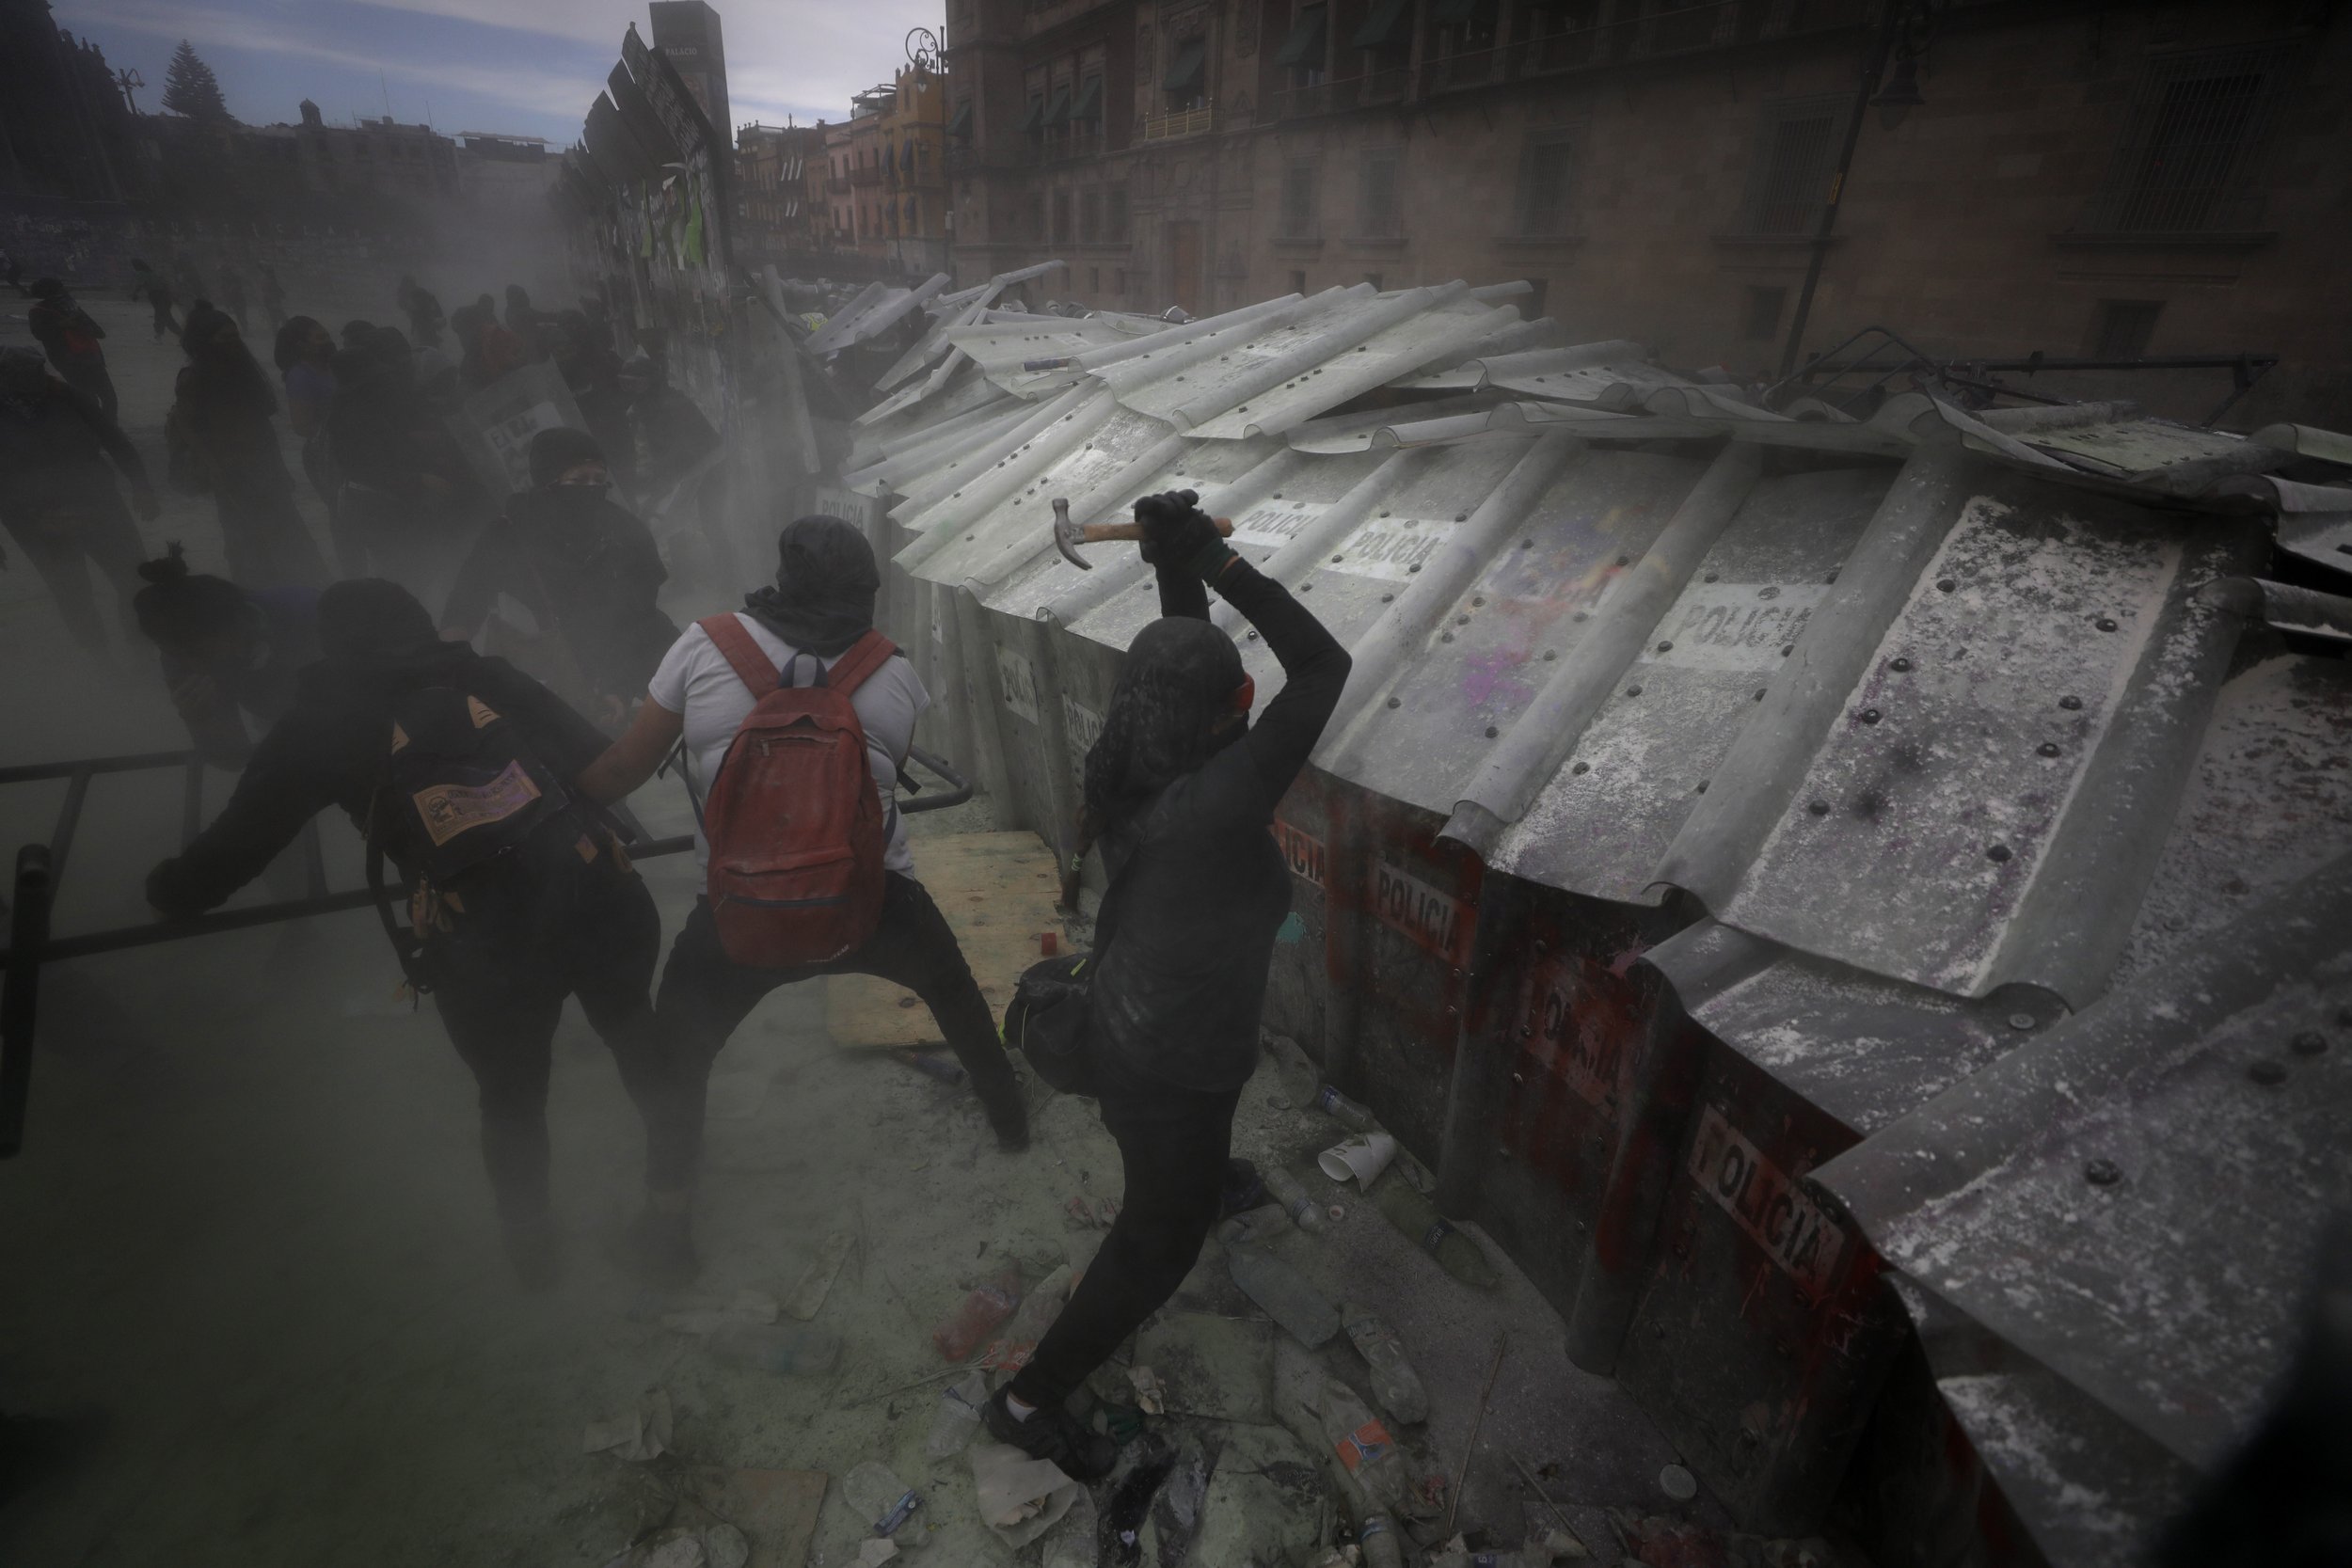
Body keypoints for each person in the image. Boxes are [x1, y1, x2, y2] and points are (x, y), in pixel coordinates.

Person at [144, 578, 674, 1289]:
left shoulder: (316, 721)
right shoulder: (486, 675)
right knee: (636, 1032)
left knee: (510, 1098)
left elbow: (230, 857)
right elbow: (598, 763)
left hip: (480, 939)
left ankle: (533, 1254)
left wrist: (169, 889)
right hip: (595, 896)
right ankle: (673, 1197)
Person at [978, 492, 1351, 1479]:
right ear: (1233, 706)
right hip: (1167, 1062)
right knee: (1156, 1243)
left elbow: (1181, 646)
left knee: (1192, 1159)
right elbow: (1322, 665)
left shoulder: (1140, 754)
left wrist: (1172, 560)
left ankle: (1207, 1178)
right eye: (1239, 691)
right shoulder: (1218, 804)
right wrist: (1223, 568)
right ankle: (1024, 1399)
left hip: (1150, 1020)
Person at [572, 515, 1030, 1282]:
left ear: (783, 577)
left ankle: (667, 1222)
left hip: (739, 918)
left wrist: (559, 797)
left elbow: (621, 771)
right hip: (870, 901)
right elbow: (878, 776)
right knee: (953, 993)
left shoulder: (704, 644)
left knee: (678, 1057)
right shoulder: (894, 670)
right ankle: (1009, 1119)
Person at [440, 428, 675, 726]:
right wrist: (450, 675)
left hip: (629, 662)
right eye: (578, 480)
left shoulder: (624, 530)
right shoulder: (509, 534)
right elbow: (465, 604)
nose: (591, 489)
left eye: (599, 480)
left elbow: (639, 617)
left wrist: (620, 686)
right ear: (548, 481)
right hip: (548, 679)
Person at [0, 348, 160, 656]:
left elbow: (115, 440)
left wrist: (142, 486)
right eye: (25, 374)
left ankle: (141, 650)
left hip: (99, 506)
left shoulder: (68, 397)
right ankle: (100, 662)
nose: (36, 379)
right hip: (35, 522)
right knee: (73, 594)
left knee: (133, 579)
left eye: (38, 371)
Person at [166, 303, 329, 590]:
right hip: (231, 475)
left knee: (291, 538)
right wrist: (217, 473)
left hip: (265, 470)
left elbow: (261, 428)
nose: (233, 344)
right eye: (224, 339)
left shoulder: (242, 373)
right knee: (248, 546)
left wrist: (278, 469)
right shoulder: (193, 379)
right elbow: (190, 431)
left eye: (235, 337)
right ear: (205, 343)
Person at [131, 543, 320, 766]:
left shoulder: (303, 611)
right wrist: (201, 720)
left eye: (198, 652)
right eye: (171, 653)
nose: (193, 666)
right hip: (286, 727)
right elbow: (233, 760)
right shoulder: (181, 662)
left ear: (234, 626)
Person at [324, 324, 460, 594]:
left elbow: (400, 446)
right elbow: (368, 469)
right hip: (373, 505)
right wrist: (420, 478)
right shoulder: (350, 420)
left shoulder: (370, 409)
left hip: (389, 502)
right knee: (404, 576)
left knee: (415, 570)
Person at [552, 310, 635, 499]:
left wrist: (613, 407)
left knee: (622, 483)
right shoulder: (559, 373)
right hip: (588, 438)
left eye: (574, 329)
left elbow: (627, 388)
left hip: (611, 432)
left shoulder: (602, 359)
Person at [25, 277, 117, 421]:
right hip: (71, 362)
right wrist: (63, 325)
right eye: (59, 289)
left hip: (89, 359)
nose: (64, 291)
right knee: (93, 399)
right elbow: (39, 333)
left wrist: (79, 325)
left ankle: (110, 431)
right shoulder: (40, 311)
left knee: (107, 398)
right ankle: (97, 432)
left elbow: (99, 332)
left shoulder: (71, 307)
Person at [452, 302, 528, 389]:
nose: (462, 339)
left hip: (514, 386)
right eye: (460, 334)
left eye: (462, 332)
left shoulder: (494, 337)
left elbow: (511, 362)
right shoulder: (476, 349)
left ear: (471, 327)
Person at [129, 258, 178, 341]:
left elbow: (139, 285)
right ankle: (162, 333)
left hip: (157, 295)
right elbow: (163, 284)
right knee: (163, 315)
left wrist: (134, 294)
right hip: (164, 295)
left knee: (163, 315)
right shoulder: (152, 273)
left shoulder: (141, 273)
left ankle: (176, 334)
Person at [396, 274, 445, 349]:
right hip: (425, 328)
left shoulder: (419, 294)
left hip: (425, 329)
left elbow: (429, 314)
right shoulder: (416, 294)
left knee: (426, 347)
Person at [257, 261, 287, 332]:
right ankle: (279, 331)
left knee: (277, 317)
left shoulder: (269, 279)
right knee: (279, 317)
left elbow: (273, 288)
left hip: (271, 301)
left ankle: (277, 330)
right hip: (272, 301)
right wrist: (280, 294)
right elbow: (271, 290)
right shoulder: (269, 280)